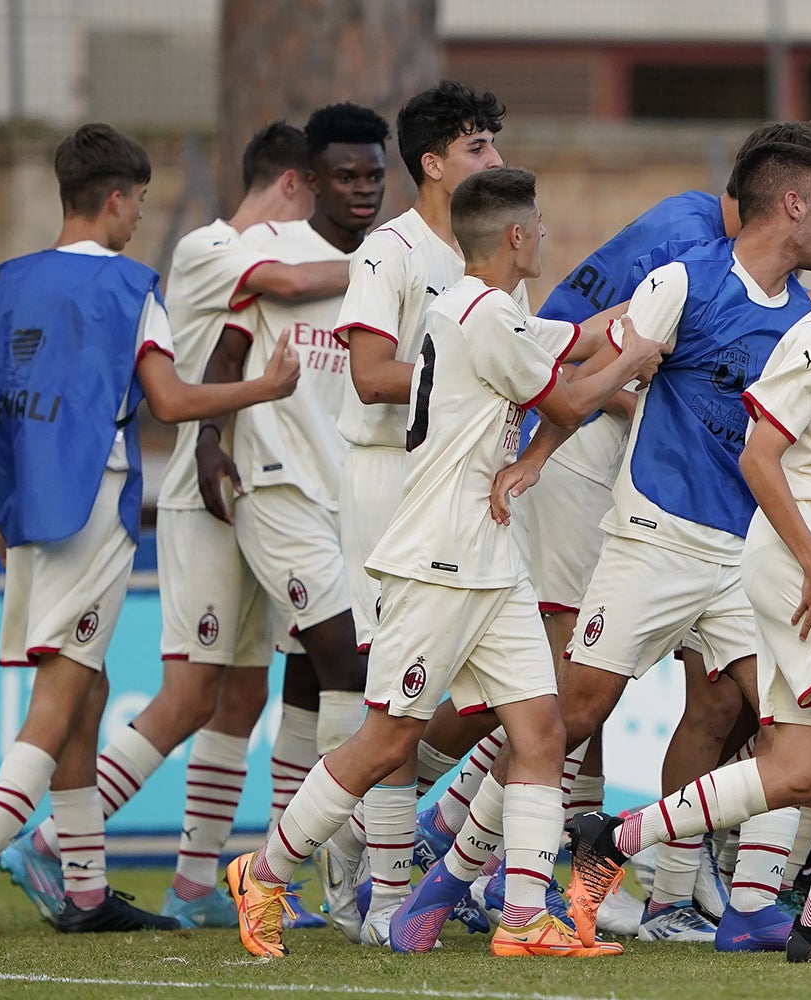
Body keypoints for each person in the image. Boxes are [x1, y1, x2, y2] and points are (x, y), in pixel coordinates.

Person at [227, 166, 668, 960]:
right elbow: (571, 399)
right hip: (439, 558)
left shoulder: (479, 306)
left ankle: (525, 915)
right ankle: (262, 873)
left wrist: (642, 318)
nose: (544, 232)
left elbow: (577, 341)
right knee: (386, 742)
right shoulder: (484, 315)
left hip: (490, 556)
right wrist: (638, 357)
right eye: (536, 222)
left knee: (540, 730)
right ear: (514, 236)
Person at [564, 151, 811, 965]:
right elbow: (759, 457)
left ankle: (614, 836)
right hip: (794, 559)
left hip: (810, 553)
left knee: (795, 770)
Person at [0, 123, 299, 937]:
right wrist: (265, 385)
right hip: (92, 506)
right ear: (116, 198)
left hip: (28, 512)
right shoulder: (129, 288)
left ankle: (84, 892)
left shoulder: (7, 284)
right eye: (140, 203)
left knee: (89, 689)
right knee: (63, 688)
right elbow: (172, 403)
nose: (139, 218)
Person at [0, 122, 350, 931]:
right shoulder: (210, 248)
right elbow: (285, 283)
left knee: (243, 695)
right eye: (324, 193)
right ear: (292, 185)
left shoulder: (264, 257)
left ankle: (196, 885)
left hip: (264, 494)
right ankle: (48, 843)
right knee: (191, 693)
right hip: (202, 491)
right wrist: (398, 266)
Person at [500, 139, 811, 950]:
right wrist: (531, 460)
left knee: (796, 725)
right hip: (653, 538)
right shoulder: (684, 279)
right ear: (793, 204)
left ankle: (720, 899)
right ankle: (461, 857)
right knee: (572, 713)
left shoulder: (808, 320)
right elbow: (595, 382)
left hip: (738, 557)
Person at [330, 80, 516, 941]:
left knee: (484, 695)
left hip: (461, 491)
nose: (496, 162)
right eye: (478, 148)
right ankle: (385, 894)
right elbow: (371, 373)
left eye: (496, 145)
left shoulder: (487, 261)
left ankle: (380, 858)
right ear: (433, 163)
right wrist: (472, 388)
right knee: (395, 701)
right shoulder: (388, 252)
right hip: (386, 487)